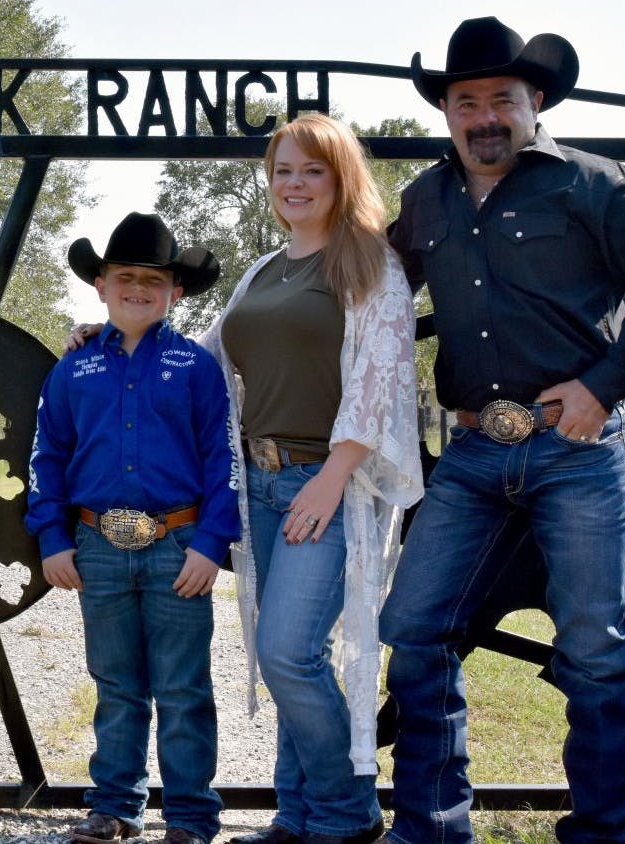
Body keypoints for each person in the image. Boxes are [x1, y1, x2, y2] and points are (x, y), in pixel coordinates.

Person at [380, 17, 625, 844]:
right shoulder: (427, 199)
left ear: (535, 102)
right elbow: (360, 291)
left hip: (579, 450)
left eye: (500, 99)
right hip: (473, 450)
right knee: (413, 628)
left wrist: (604, 385)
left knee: (593, 645)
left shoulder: (596, 184)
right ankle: (431, 827)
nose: (482, 116)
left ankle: (597, 833)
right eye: (464, 102)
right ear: (444, 111)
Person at [204, 114, 422, 844]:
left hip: (325, 483)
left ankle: (346, 815)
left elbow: (380, 380)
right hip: (258, 485)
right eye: (281, 172)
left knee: (287, 653)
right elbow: (206, 360)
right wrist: (114, 337)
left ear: (340, 177)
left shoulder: (368, 264)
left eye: (311, 171)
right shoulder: (263, 270)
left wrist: (332, 476)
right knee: (292, 657)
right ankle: (298, 817)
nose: (293, 185)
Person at [26, 211, 240, 844]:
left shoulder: (197, 368)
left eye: (154, 279)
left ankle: (192, 816)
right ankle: (116, 805)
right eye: (125, 277)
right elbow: (48, 456)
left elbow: (221, 458)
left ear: (175, 291)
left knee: (182, 687)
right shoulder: (73, 368)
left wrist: (210, 543)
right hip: (95, 545)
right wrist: (53, 538)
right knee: (116, 683)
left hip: (178, 547)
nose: (138, 288)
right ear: (101, 286)